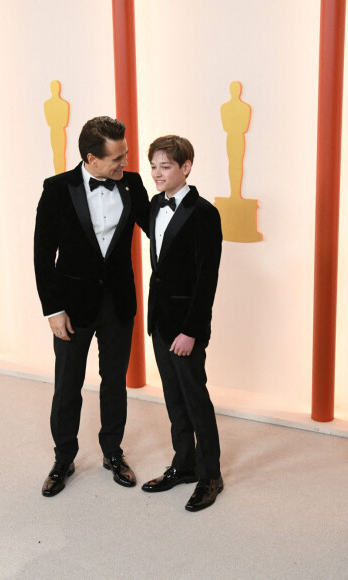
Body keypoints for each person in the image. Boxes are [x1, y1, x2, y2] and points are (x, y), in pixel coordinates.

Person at [34, 116, 149, 497]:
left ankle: (112, 453)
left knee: (114, 382)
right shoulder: (56, 189)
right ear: (91, 158)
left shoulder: (132, 183)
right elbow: (41, 254)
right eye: (117, 158)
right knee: (67, 384)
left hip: (118, 302)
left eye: (126, 154)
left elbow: (156, 225)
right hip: (71, 305)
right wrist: (53, 310)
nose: (124, 163)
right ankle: (64, 458)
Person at [140, 135, 223, 512]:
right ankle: (184, 464)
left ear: (186, 167)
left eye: (166, 166)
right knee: (173, 397)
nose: (157, 173)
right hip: (160, 320)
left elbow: (207, 280)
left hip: (186, 326)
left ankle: (210, 475)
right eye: (153, 166)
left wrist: (191, 331)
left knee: (195, 398)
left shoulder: (204, 213)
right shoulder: (155, 204)